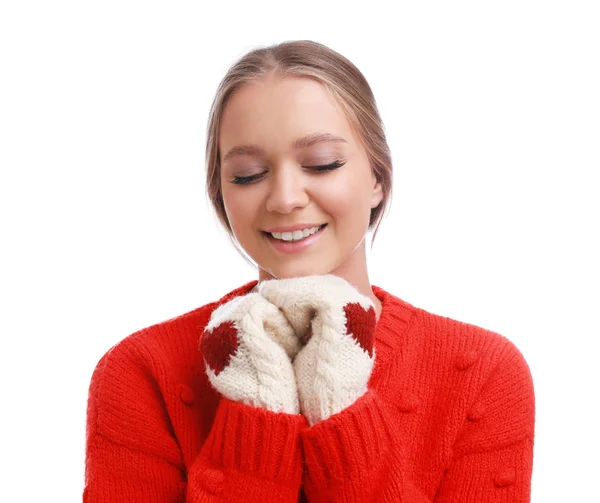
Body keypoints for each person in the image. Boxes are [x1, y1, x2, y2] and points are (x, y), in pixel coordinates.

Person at [83, 40, 535, 502]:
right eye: (247, 174)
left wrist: (340, 404)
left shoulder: (484, 373)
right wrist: (259, 414)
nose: (284, 197)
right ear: (221, 193)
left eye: (322, 164)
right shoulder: (142, 371)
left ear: (376, 178)